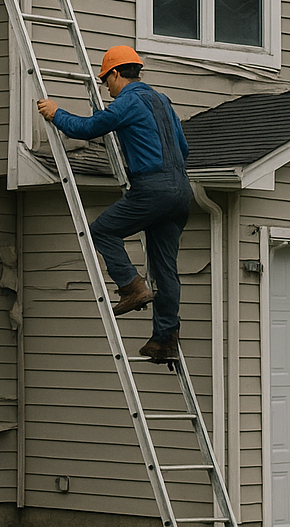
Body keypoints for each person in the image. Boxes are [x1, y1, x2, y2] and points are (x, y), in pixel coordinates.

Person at [36, 46, 192, 363]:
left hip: (152, 188)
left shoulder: (128, 101)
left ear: (117, 74)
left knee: (101, 231)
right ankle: (164, 340)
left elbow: (87, 128)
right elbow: (184, 147)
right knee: (166, 271)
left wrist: (55, 113)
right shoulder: (162, 100)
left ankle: (131, 286)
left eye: (107, 81)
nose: (106, 87)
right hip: (181, 192)